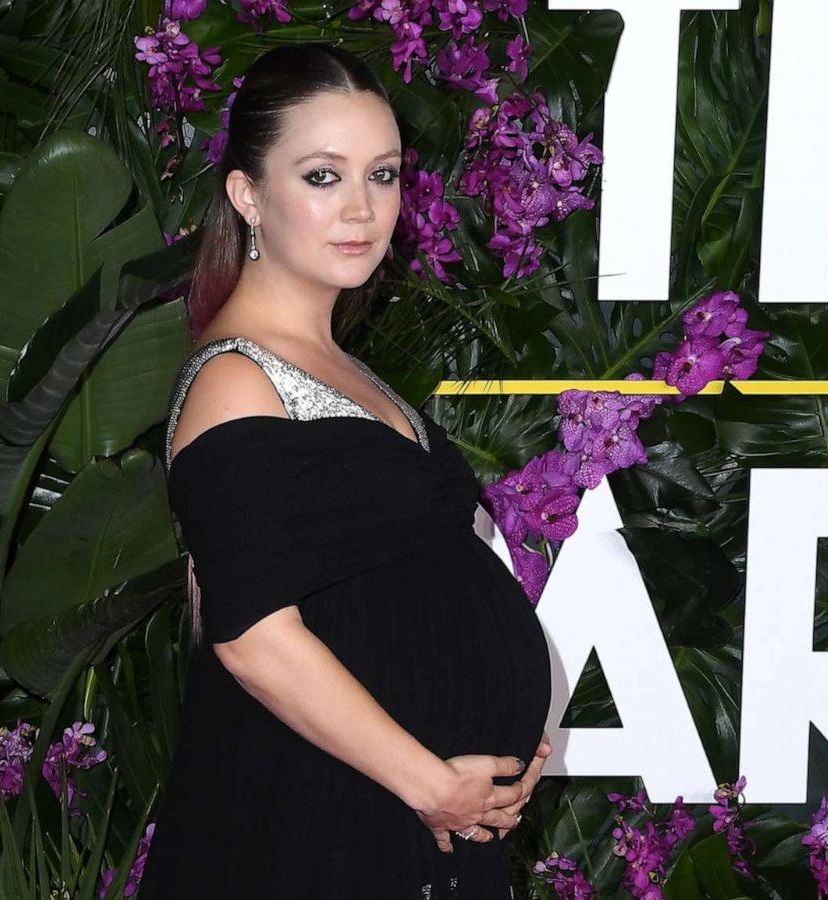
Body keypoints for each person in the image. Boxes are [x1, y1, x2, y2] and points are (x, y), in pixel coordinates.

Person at [134, 44, 555, 900]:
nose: (362, 208)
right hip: (328, 829)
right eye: (323, 177)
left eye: (385, 174)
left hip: (401, 824)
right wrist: (432, 786)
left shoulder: (339, 366)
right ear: (247, 195)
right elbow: (252, 636)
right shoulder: (237, 378)